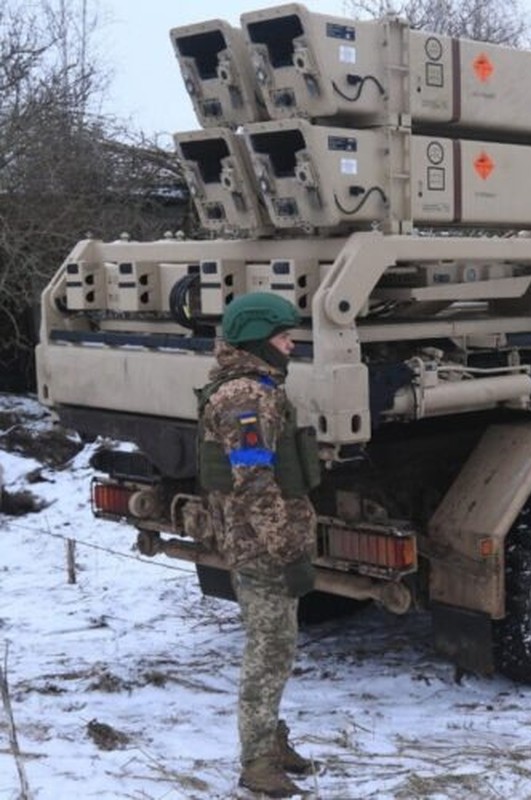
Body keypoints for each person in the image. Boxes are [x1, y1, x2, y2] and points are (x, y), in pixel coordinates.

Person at [197, 292, 322, 797]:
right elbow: (253, 483)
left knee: (279, 646)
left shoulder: (256, 387)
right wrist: (286, 545)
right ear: (256, 339)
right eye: (283, 336)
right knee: (268, 650)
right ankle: (256, 760)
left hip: (260, 540)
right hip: (260, 546)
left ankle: (271, 739)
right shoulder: (247, 397)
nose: (292, 344)